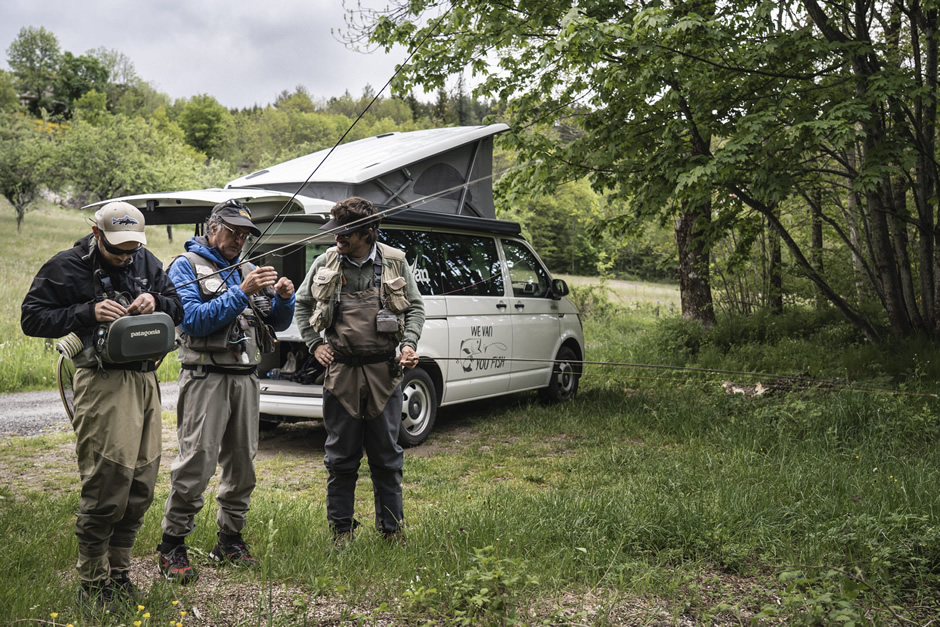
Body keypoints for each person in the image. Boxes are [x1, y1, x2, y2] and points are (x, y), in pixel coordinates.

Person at [20, 201, 183, 609]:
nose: (126, 257)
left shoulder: (146, 261)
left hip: (146, 379)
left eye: (131, 250)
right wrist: (87, 311)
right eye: (117, 250)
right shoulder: (67, 266)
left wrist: (155, 302)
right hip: (101, 381)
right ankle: (93, 580)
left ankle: (120, 573)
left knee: (141, 484)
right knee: (108, 481)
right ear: (97, 235)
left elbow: (178, 307)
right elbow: (31, 318)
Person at [157, 200, 294, 584]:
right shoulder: (184, 266)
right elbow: (194, 321)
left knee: (243, 463)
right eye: (233, 231)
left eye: (245, 234)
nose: (239, 239)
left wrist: (284, 297)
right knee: (196, 462)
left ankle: (230, 540)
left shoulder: (247, 268)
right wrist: (241, 292)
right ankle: (172, 545)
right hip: (205, 376)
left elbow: (274, 320)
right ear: (212, 227)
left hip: (246, 378)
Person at [295, 196, 425, 545]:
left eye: (345, 233)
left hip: (384, 372)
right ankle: (341, 532)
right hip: (341, 373)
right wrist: (314, 344)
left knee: (387, 456)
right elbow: (302, 304)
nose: (337, 238)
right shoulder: (326, 261)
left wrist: (409, 344)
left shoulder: (395, 261)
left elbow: (415, 309)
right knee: (341, 458)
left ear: (367, 232)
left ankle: (392, 531)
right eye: (335, 231)